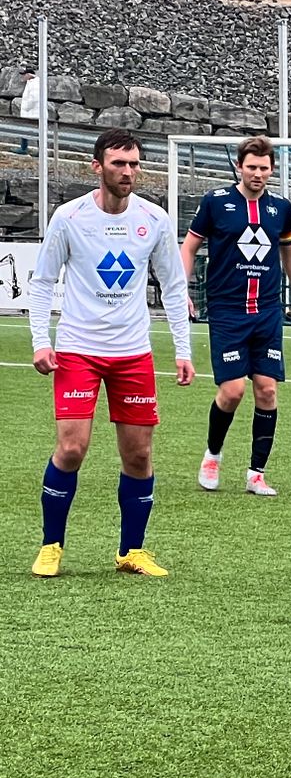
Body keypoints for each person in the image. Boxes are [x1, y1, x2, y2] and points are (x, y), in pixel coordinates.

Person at [30, 127, 193, 579]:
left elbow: (174, 286)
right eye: (119, 163)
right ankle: (51, 545)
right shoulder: (69, 217)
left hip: (133, 353)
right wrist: (41, 341)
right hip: (79, 349)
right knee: (72, 448)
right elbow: (43, 282)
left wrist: (183, 349)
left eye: (135, 163)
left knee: (139, 456)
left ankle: (131, 552)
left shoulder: (155, 220)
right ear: (97, 167)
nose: (128, 172)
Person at [182, 134, 291, 496]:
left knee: (267, 390)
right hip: (228, 311)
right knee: (232, 391)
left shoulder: (281, 209)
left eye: (264, 168)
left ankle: (256, 474)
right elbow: (190, 246)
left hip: (268, 312)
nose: (257, 174)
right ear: (238, 167)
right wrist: (181, 290)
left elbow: (290, 256)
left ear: (271, 170)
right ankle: (212, 456)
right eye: (251, 167)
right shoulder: (216, 203)